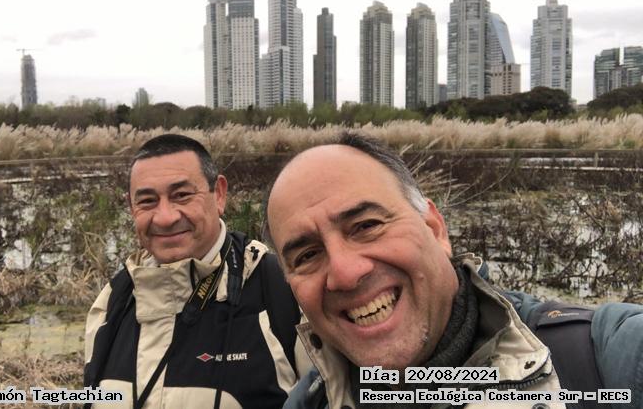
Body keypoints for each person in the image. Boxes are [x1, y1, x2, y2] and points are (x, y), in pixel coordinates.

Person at [264, 132, 643, 409]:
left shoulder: (608, 360)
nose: (345, 274)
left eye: (366, 225)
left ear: (434, 229)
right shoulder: (310, 401)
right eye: (307, 255)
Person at [84, 134, 304, 409]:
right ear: (131, 207)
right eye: (148, 201)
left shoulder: (285, 289)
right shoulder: (112, 302)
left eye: (182, 195)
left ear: (219, 193)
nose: (165, 217)